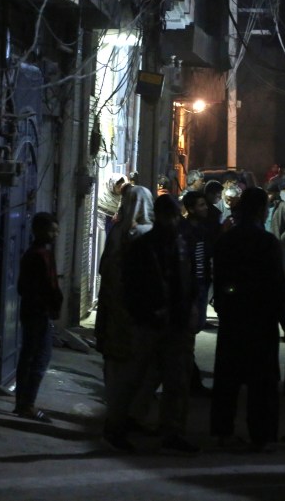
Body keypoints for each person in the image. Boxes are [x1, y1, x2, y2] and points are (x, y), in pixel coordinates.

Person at [210, 188, 285, 452]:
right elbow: (277, 285)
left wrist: (224, 305)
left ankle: (223, 432)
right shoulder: (267, 243)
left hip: (234, 317)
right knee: (262, 381)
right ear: (261, 210)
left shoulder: (226, 240)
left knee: (228, 378)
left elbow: (219, 280)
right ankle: (261, 435)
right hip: (261, 318)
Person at [120, 194, 199, 453]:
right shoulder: (146, 246)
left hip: (173, 322)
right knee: (139, 376)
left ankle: (171, 431)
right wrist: (145, 313)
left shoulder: (178, 243)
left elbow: (186, 282)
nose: (172, 221)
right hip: (152, 321)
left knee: (174, 380)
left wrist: (187, 310)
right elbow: (132, 286)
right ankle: (119, 426)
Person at [97, 185, 156, 449]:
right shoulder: (144, 234)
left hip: (112, 311)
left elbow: (103, 269)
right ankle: (120, 424)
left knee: (116, 370)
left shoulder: (117, 231)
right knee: (136, 371)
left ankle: (118, 420)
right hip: (135, 314)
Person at [13, 212, 63, 423]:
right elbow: (36, 287)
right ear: (40, 230)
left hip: (36, 312)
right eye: (52, 230)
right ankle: (27, 405)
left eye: (56, 231)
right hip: (37, 313)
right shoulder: (38, 255)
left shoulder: (41, 253)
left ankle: (22, 403)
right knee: (38, 357)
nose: (55, 235)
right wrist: (48, 304)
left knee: (31, 356)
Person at [180, 191, 214, 396]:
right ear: (191, 209)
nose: (205, 208)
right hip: (191, 287)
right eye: (201, 205)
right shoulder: (184, 231)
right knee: (187, 334)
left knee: (191, 332)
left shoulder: (201, 230)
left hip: (200, 285)